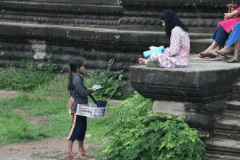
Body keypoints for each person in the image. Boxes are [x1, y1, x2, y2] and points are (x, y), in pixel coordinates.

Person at [66, 59, 96, 159]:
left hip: (82, 107)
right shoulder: (77, 79)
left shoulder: (77, 78)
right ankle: (70, 152)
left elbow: (80, 91)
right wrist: (91, 90)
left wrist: (88, 90)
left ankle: (81, 150)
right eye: (82, 66)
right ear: (78, 69)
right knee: (75, 129)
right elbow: (82, 93)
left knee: (82, 128)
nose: (84, 68)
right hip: (78, 108)